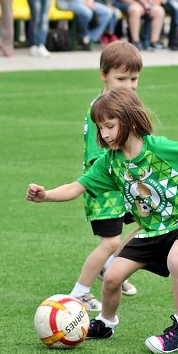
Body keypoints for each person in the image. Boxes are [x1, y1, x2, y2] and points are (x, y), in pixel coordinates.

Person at [28, 88, 178, 354]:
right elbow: (77, 187)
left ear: (130, 121)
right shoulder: (110, 163)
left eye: (110, 126)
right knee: (112, 277)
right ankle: (106, 322)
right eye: (100, 129)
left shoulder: (159, 148)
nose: (104, 135)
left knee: (177, 259)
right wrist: (45, 195)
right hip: (151, 229)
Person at [46, 42, 146, 312]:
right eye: (121, 78)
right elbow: (95, 156)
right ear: (104, 74)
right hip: (104, 187)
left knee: (149, 223)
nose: (128, 85)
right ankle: (79, 292)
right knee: (111, 241)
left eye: (134, 79)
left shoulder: (127, 105)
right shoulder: (100, 112)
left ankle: (111, 268)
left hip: (126, 184)